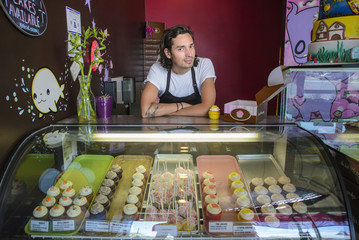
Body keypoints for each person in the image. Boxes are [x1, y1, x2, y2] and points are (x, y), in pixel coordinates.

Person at [141, 25, 216, 118]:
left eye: (191, 46)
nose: (189, 54)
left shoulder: (204, 65)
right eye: (181, 49)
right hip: (165, 130)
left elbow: (207, 108)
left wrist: (167, 112)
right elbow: (146, 111)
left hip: (197, 130)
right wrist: (181, 105)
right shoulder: (157, 69)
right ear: (168, 53)